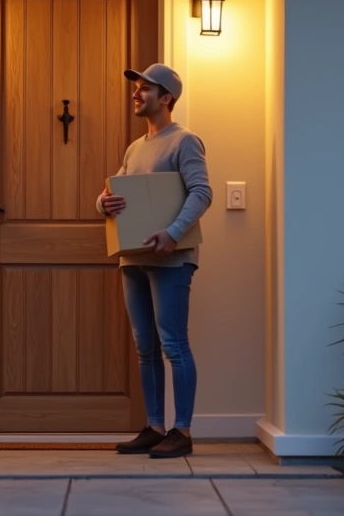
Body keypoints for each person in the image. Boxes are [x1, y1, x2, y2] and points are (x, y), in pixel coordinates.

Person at [97, 63, 212, 459]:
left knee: (173, 345)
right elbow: (113, 189)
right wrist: (102, 202)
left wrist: (173, 232)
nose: (137, 93)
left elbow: (202, 192)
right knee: (144, 346)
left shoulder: (185, 141)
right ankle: (155, 426)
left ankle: (183, 431)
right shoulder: (135, 148)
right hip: (133, 257)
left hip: (171, 258)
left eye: (146, 88)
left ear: (167, 98)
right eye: (136, 87)